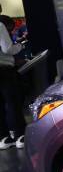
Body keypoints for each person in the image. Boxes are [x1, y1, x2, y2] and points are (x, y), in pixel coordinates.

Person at [0, 15, 25, 149]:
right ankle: (20, 136)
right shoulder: (0, 25)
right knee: (13, 102)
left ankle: (4, 138)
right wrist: (20, 46)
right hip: (4, 69)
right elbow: (7, 49)